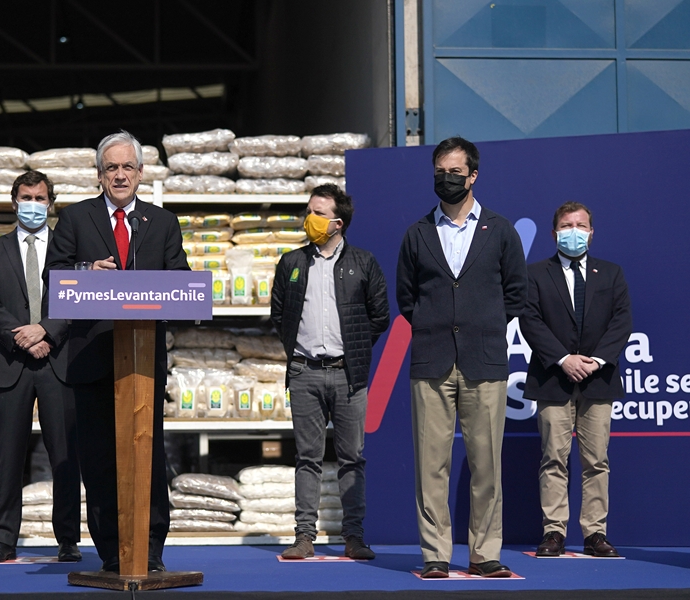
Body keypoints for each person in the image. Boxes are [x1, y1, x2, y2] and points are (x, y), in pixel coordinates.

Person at [45, 130, 188, 573]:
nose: (120, 175)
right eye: (112, 168)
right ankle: (112, 551)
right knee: (100, 460)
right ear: (99, 175)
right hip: (90, 360)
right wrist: (89, 271)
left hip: (144, 362)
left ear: (141, 173)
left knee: (148, 454)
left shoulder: (162, 223)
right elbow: (54, 276)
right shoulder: (74, 219)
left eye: (128, 167)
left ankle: (150, 549)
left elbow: (180, 281)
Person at [395, 137, 527, 578]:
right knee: (430, 463)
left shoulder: (501, 230)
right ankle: (435, 554)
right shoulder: (417, 234)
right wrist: (437, 326)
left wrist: (479, 326)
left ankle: (484, 552)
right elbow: (407, 298)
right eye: (439, 171)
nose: (446, 179)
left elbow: (515, 295)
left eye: (455, 171)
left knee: (486, 465)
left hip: (484, 362)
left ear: (472, 176)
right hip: (431, 363)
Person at [270, 184, 390, 560]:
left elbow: (380, 316)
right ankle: (304, 536)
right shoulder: (291, 263)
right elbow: (278, 314)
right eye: (309, 211)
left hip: (347, 374)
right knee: (307, 457)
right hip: (304, 372)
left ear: (337, 223)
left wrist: (352, 349)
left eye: (318, 213)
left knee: (352, 457)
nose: (310, 219)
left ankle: (353, 537)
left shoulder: (363, 262)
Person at [0, 171, 81, 564]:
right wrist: (20, 336)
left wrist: (46, 333)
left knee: (65, 454)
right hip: (10, 361)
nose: (33, 204)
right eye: (26, 197)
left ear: (51, 203)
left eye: (40, 198)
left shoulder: (67, 250)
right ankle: (3, 539)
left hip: (58, 361)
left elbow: (76, 299)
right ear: (14, 201)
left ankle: (68, 539)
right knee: (8, 454)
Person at [520, 202, 632, 558]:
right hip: (554, 378)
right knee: (554, 457)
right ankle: (554, 532)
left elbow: (621, 321)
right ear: (554, 233)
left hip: (599, 381)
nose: (574, 231)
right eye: (567, 225)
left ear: (591, 231)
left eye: (580, 225)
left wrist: (596, 361)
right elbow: (530, 320)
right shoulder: (536, 273)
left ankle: (594, 534)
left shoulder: (611, 273)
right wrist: (564, 359)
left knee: (596, 460)